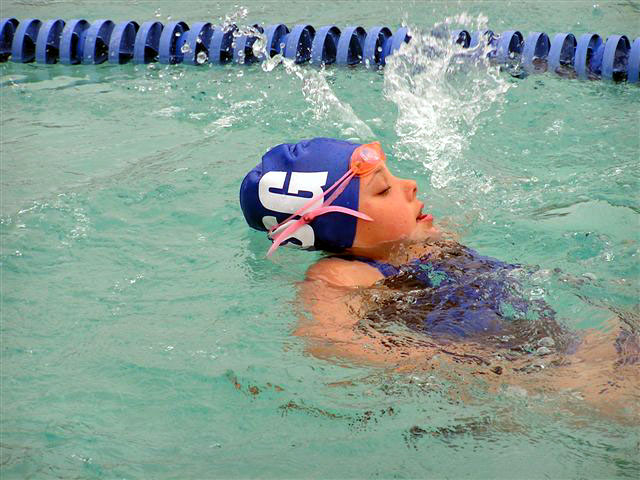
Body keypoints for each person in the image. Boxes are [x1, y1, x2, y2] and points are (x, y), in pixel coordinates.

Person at [240, 137, 639, 421]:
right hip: (514, 374)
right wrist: (446, 363)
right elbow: (326, 341)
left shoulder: (426, 238)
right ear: (340, 226)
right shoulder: (341, 273)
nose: (409, 185)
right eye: (384, 189)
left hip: (561, 337)